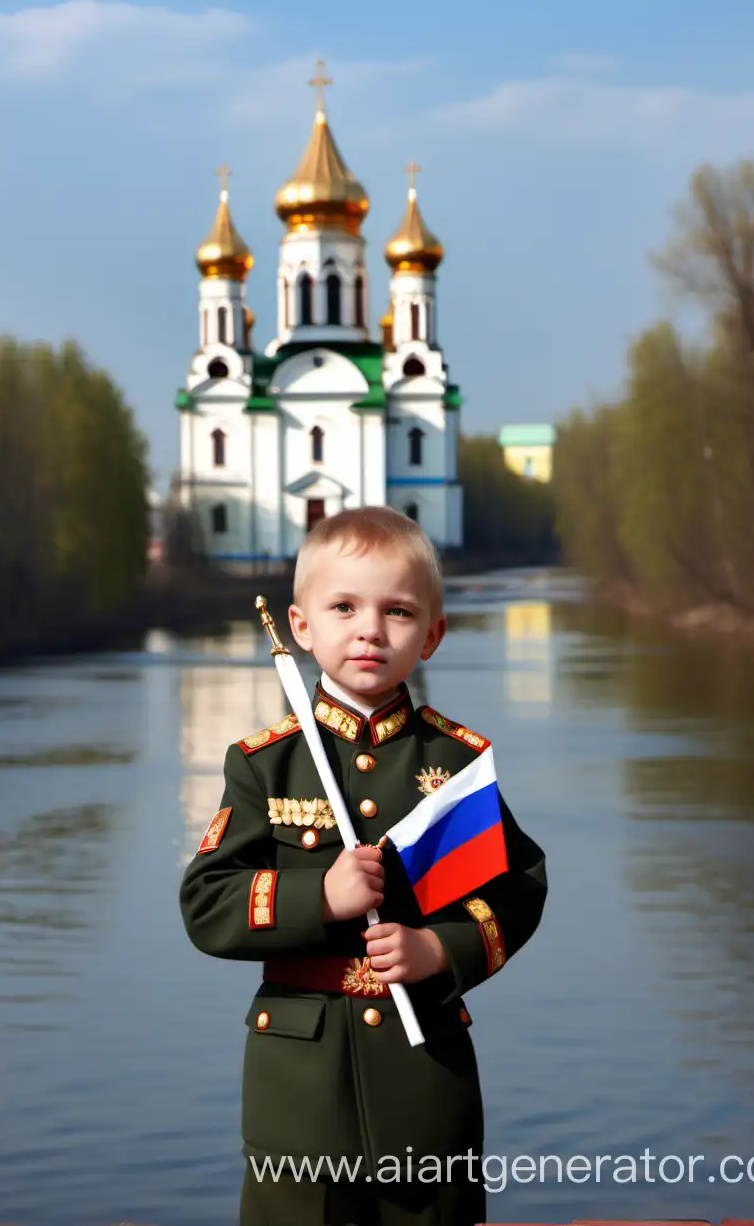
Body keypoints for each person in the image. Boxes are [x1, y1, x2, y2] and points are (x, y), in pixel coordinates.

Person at [179, 506, 548, 1226]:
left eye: (398, 611)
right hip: (299, 1097)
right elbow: (207, 904)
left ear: (432, 635)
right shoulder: (264, 764)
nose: (370, 629)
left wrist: (440, 946)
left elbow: (519, 888)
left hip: (425, 1085)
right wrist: (322, 895)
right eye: (344, 607)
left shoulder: (458, 765)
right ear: (303, 625)